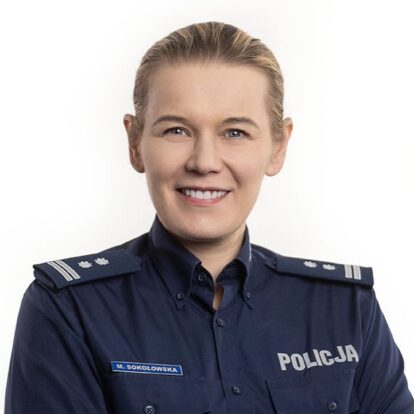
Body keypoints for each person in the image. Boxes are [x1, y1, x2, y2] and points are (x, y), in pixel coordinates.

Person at [5, 21, 414, 414]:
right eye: (176, 130)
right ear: (134, 142)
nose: (204, 162)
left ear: (278, 147)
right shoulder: (69, 309)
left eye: (235, 132)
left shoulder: (346, 310)